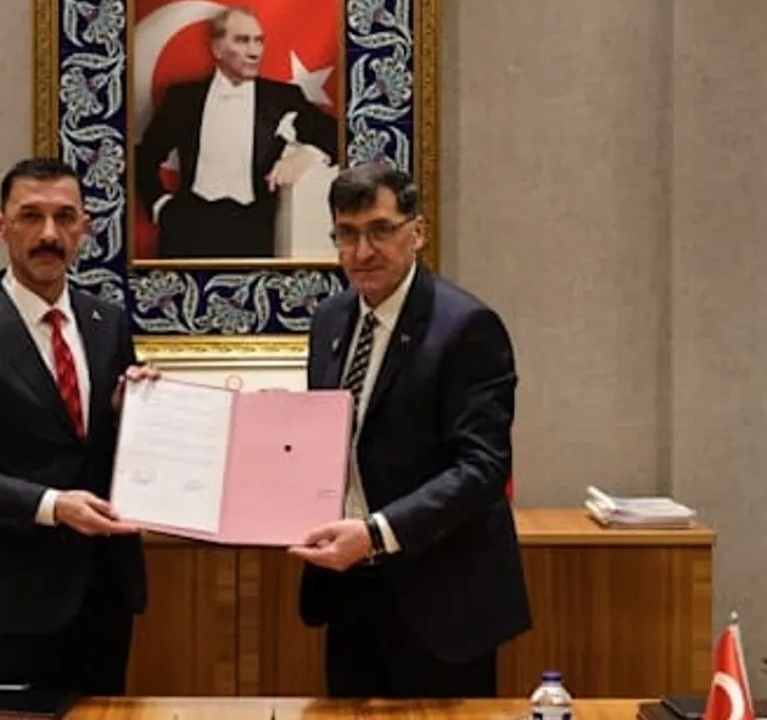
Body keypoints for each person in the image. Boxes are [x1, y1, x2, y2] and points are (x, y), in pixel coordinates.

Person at [0, 157, 159, 697]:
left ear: (84, 228)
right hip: (11, 600)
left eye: (64, 217)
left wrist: (132, 413)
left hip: (105, 593)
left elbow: (99, 446)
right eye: (31, 216)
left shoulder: (107, 322)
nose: (49, 234)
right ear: (0, 226)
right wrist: (52, 505)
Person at [290, 163, 532, 699]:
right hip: (350, 589)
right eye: (347, 234)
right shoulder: (330, 320)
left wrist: (377, 533)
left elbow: (484, 468)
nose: (362, 251)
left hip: (440, 600)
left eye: (380, 230)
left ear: (417, 232)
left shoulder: (466, 327)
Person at [134, 5, 338, 259]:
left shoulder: (282, 98)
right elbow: (144, 157)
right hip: (187, 231)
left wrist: (306, 155)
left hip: (253, 233)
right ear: (217, 49)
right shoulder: (182, 99)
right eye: (242, 40)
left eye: (259, 41)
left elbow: (336, 135)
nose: (254, 51)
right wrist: (160, 206)